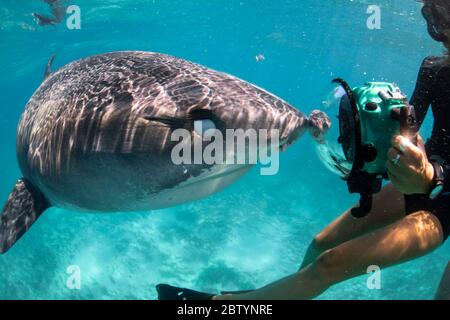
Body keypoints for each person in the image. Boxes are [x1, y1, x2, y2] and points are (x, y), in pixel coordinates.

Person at [157, 0, 450, 300]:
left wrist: (433, 177)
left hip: (445, 202)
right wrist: (332, 140)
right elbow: (404, 127)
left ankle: (224, 305)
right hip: (419, 185)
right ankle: (277, 297)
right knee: (321, 246)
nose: (440, 27)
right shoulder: (432, 68)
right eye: (439, 16)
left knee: (329, 265)